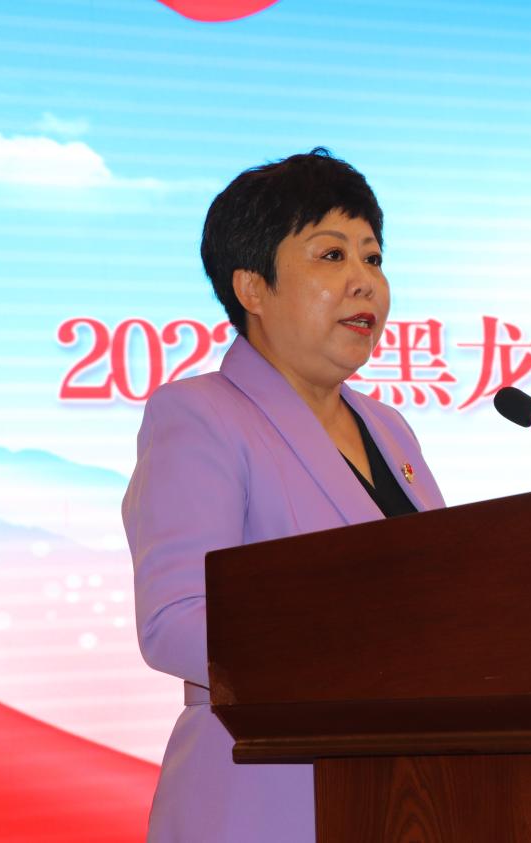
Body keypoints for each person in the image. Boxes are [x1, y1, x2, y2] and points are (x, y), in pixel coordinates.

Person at [122, 148, 443, 841]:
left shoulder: (389, 428)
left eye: (373, 258)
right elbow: (175, 620)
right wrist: (365, 656)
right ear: (252, 288)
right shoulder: (199, 415)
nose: (364, 281)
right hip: (263, 801)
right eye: (331, 255)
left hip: (400, 796)